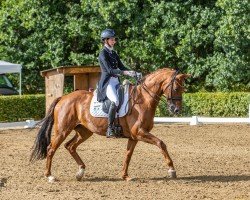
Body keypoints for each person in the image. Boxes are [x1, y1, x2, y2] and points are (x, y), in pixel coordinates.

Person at [97, 28, 138, 138]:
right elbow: (110, 70)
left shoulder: (114, 53)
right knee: (115, 100)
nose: (114, 41)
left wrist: (132, 72)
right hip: (108, 83)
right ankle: (110, 128)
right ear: (105, 40)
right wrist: (125, 72)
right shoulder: (102, 54)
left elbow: (122, 67)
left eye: (114, 39)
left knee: (126, 97)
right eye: (112, 40)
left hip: (116, 81)